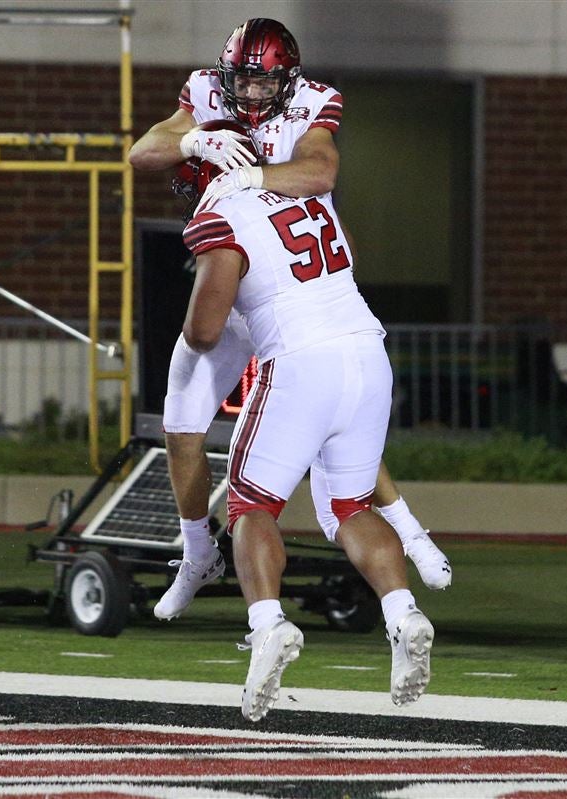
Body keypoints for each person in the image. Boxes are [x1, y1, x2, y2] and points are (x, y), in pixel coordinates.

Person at [127, 18, 450, 621]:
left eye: (263, 82)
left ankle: (410, 529)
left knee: (327, 422)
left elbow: (321, 172)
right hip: (241, 276)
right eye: (242, 82)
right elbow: (142, 151)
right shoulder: (203, 93)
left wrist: (246, 179)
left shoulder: (314, 102)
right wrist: (195, 142)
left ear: (289, 79)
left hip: (295, 289)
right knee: (181, 422)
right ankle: (198, 554)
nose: (250, 94)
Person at [178, 125, 435, 720]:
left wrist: (196, 330)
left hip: (299, 361)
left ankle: (268, 625)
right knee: (349, 506)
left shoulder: (220, 207)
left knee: (251, 505)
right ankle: (401, 612)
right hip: (368, 353)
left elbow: (205, 329)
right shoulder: (304, 190)